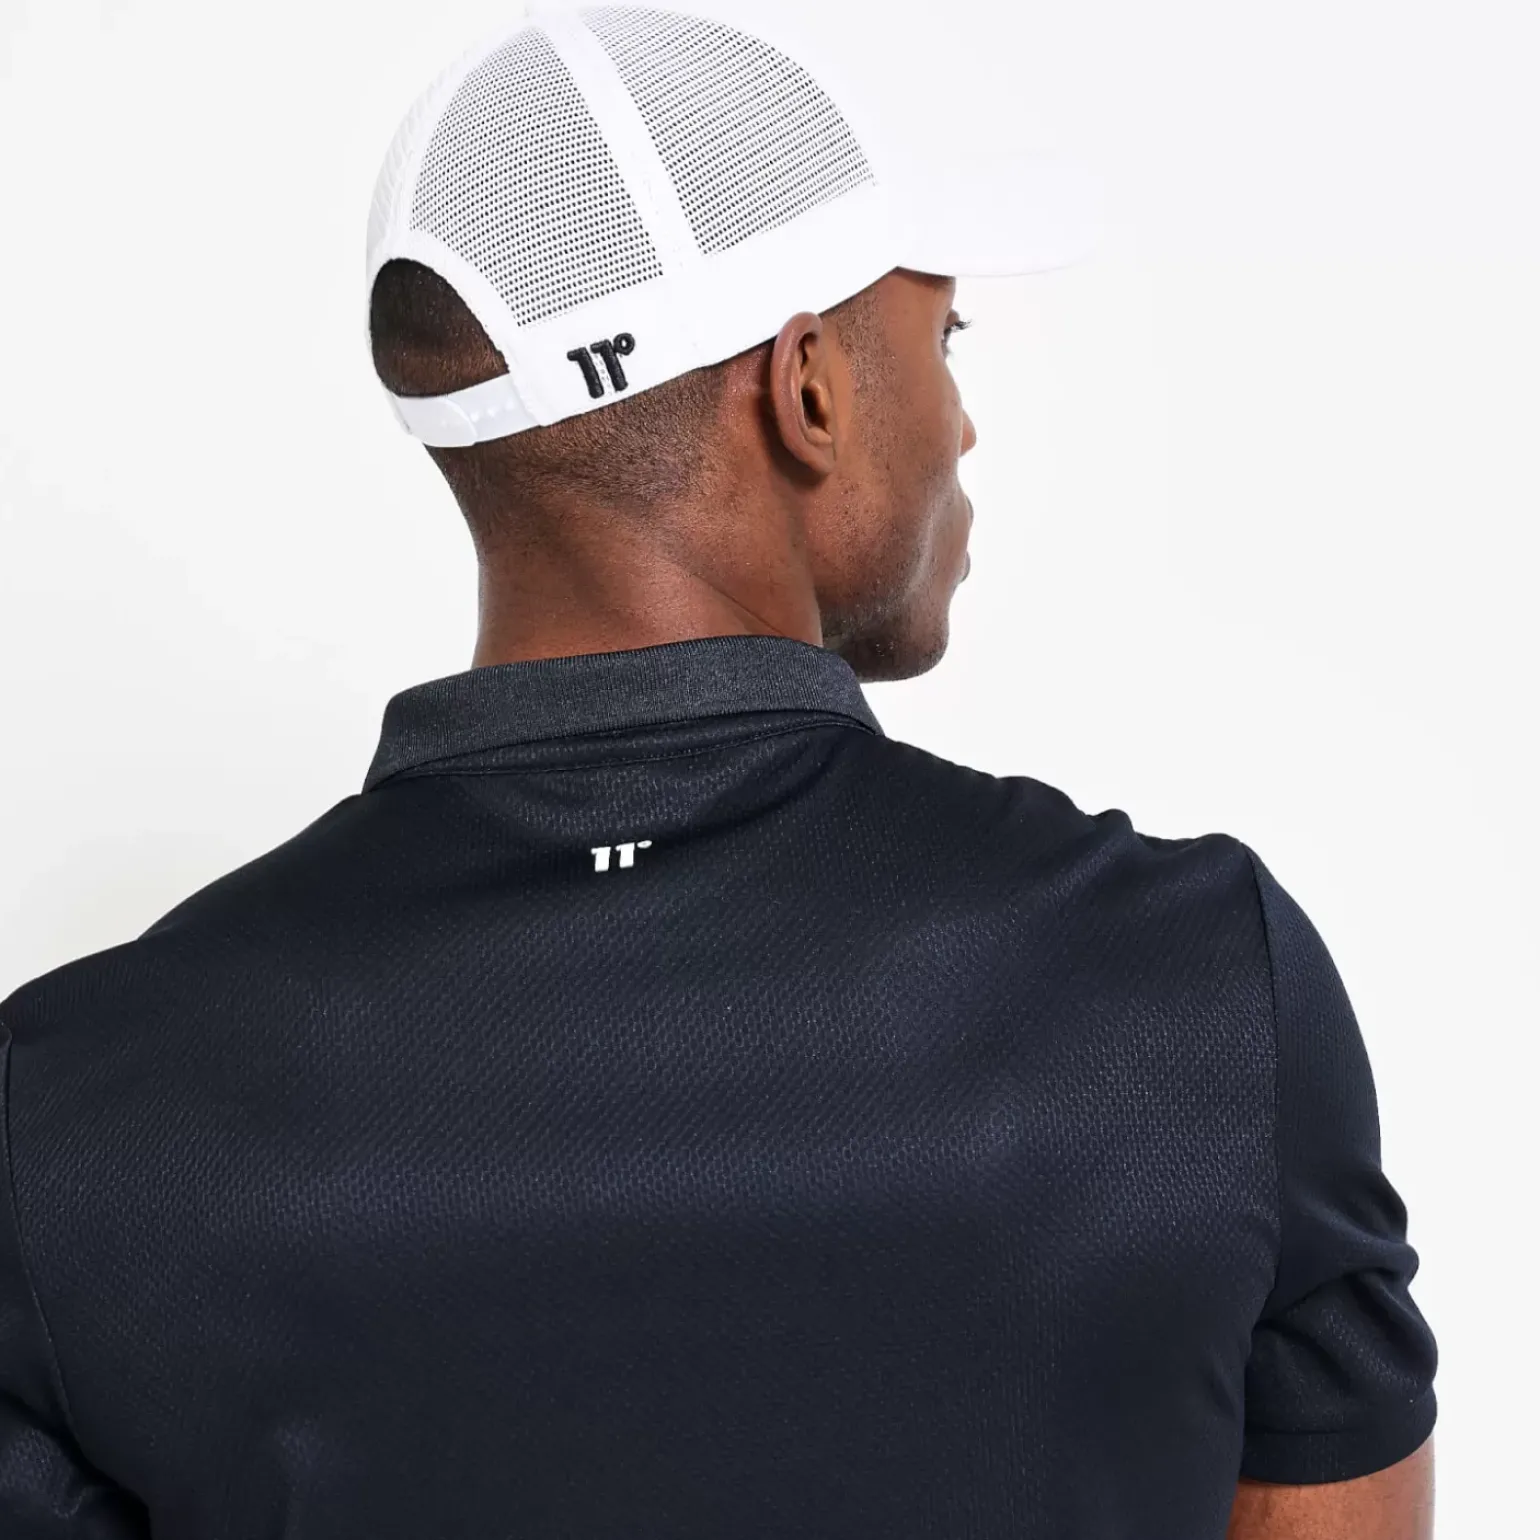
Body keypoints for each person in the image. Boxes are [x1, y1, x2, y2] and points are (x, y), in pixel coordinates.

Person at [0, 4, 1436, 1537]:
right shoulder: (1188, 990)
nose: (962, 424)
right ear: (808, 389)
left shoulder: (70, 1113)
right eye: (944, 340)